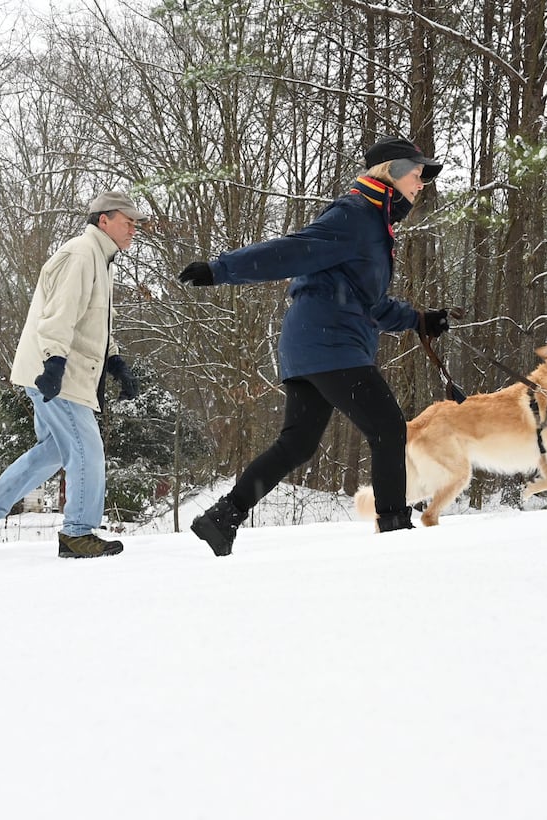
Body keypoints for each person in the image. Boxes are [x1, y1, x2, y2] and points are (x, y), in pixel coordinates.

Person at [178, 137, 452, 556]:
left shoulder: (374, 224)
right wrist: (221, 269)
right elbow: (292, 252)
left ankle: (223, 517)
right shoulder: (355, 214)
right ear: (392, 171)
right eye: (417, 173)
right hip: (331, 342)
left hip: (313, 345)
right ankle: (395, 528)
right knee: (388, 428)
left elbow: (369, 302)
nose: (421, 183)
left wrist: (417, 319)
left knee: (298, 444)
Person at [0, 191, 145, 558]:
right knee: (87, 450)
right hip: (57, 372)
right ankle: (77, 533)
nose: (133, 229)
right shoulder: (81, 254)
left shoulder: (103, 260)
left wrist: (115, 361)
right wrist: (54, 363)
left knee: (54, 452)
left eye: (135, 223)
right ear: (104, 220)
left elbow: (94, 320)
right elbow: (59, 314)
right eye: (127, 221)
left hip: (67, 370)